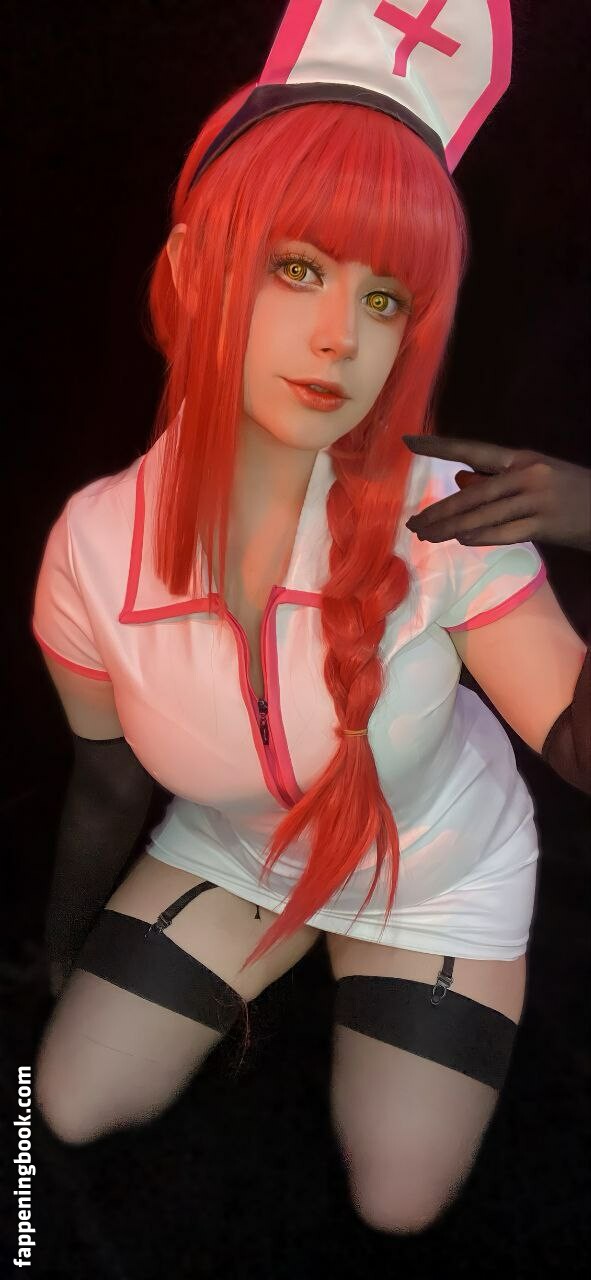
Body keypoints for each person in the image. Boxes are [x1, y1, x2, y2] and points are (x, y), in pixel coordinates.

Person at [29, 0, 589, 1236]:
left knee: (398, 1200)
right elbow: (107, 781)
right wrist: (56, 943)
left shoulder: (448, 517)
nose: (340, 336)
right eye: (298, 268)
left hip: (439, 877)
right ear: (193, 270)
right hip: (232, 855)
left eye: (387, 299)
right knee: (60, 1103)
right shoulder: (91, 548)